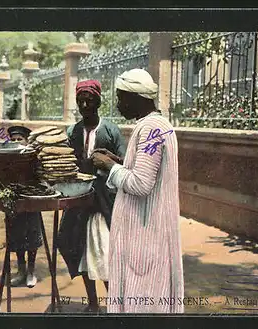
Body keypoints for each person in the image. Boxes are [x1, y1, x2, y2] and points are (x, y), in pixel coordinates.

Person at [91, 69, 184, 313]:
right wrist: (121, 162)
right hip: (148, 231)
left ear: (136, 99)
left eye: (122, 98)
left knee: (142, 303)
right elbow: (144, 171)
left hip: (144, 235)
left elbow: (141, 184)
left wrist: (109, 166)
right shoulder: (158, 125)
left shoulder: (151, 128)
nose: (119, 105)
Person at [58, 79, 127, 312]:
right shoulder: (73, 131)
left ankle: (115, 304)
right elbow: (66, 162)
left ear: (98, 102)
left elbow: (125, 163)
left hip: (103, 202)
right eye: (81, 101)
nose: (85, 105)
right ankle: (93, 303)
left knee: (102, 251)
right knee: (76, 246)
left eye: (90, 100)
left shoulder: (110, 131)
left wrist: (107, 162)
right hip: (79, 199)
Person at [5, 126, 44, 288]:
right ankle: (21, 271)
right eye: (13, 140)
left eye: (19, 139)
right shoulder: (5, 156)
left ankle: (31, 272)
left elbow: (42, 175)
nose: (16, 142)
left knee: (32, 235)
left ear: (27, 141)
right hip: (14, 200)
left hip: (31, 200)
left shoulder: (33, 156)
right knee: (16, 235)